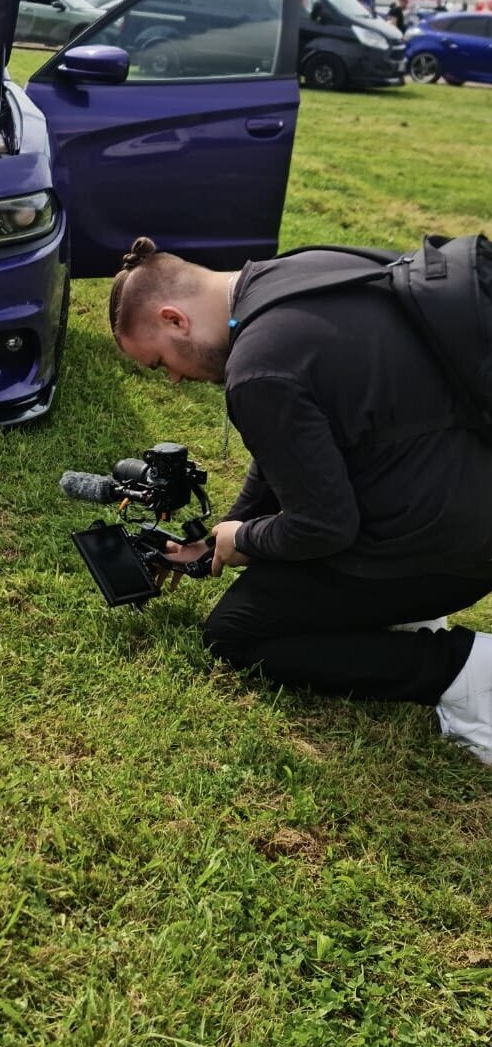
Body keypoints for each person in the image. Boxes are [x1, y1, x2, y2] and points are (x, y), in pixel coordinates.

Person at [106, 237, 492, 765]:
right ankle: (406, 615)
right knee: (278, 578)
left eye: (159, 363)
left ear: (175, 320)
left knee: (236, 632)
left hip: (450, 546)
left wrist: (243, 540)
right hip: (461, 496)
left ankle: (467, 671)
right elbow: (288, 450)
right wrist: (230, 526)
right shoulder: (297, 272)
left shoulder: (259, 368)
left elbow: (325, 526)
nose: (173, 378)